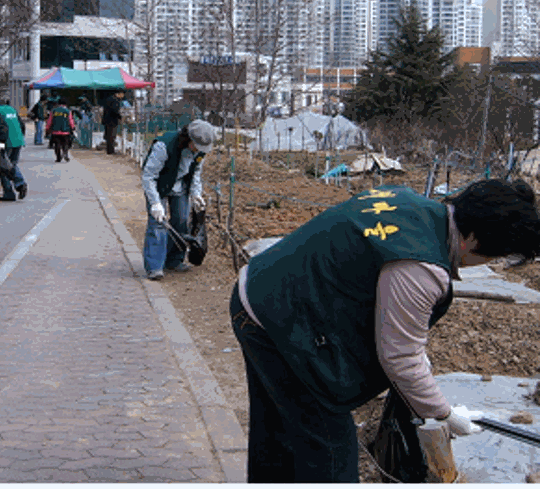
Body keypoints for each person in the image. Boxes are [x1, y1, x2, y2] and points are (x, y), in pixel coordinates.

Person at [230, 179, 540, 483]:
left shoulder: (410, 201)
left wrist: (422, 369)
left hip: (260, 291)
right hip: (281, 322)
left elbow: (393, 317)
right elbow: (400, 358)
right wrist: (444, 415)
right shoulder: (421, 266)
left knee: (276, 434)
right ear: (474, 240)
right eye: (496, 255)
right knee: (330, 453)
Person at [141, 119, 216, 281]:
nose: (198, 151)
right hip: (159, 185)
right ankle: (154, 267)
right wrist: (155, 203)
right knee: (158, 223)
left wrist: (196, 194)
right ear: (187, 138)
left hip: (180, 186)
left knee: (181, 220)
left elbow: (195, 173)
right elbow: (148, 176)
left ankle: (174, 260)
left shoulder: (199, 152)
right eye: (196, 146)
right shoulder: (164, 146)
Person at [45, 96, 75, 163]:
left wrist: (47, 128)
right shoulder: (68, 111)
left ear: (58, 103)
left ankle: (58, 158)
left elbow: (49, 120)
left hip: (55, 131)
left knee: (57, 144)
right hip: (65, 131)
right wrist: (73, 127)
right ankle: (65, 153)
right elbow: (70, 120)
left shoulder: (53, 111)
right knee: (65, 144)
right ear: (65, 104)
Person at [102, 90, 125, 155]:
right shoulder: (115, 100)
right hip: (112, 120)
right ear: (120, 94)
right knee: (112, 136)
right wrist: (120, 116)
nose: (122, 97)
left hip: (106, 120)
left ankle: (109, 150)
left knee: (108, 135)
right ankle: (111, 151)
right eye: (122, 95)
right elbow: (115, 110)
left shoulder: (109, 99)